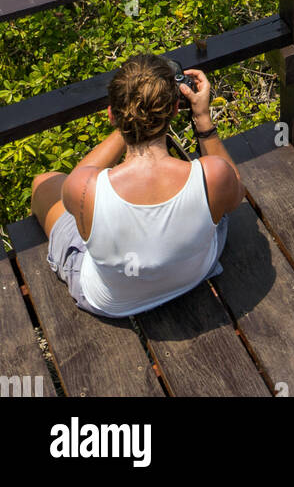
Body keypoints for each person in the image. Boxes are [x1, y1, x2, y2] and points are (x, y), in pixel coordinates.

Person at [30, 53, 245, 317]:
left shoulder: (85, 188)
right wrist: (202, 119)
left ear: (111, 115)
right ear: (175, 110)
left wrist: (130, 122)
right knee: (214, 206)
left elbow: (76, 184)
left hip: (111, 302)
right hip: (194, 273)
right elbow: (235, 197)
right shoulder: (213, 175)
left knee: (44, 184)